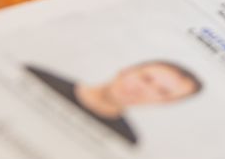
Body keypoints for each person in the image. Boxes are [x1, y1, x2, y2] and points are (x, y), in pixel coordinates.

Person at [26, 60, 202, 145]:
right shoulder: (37, 77)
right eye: (146, 79)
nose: (143, 90)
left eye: (162, 92)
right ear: (126, 71)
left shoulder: (125, 142)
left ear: (165, 104)